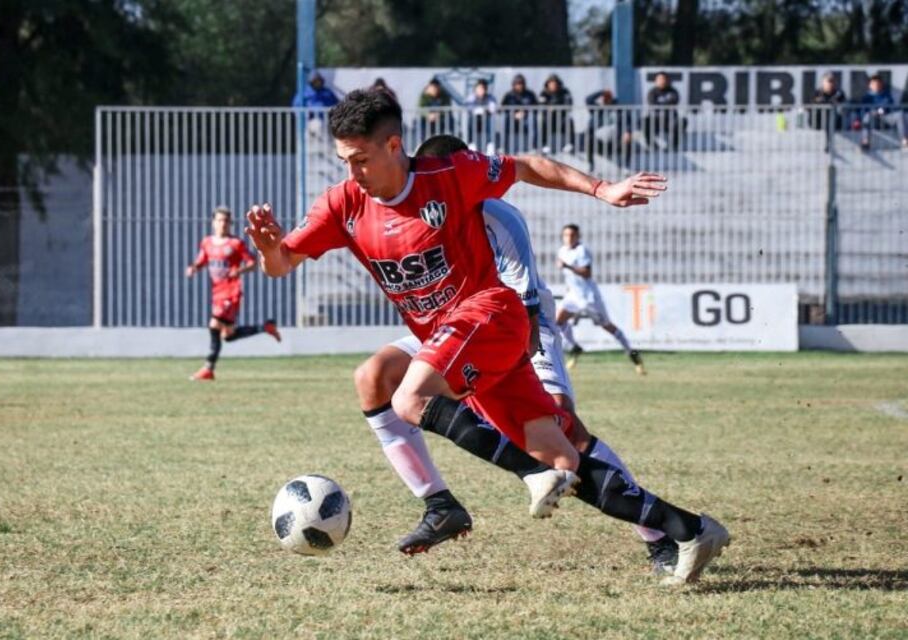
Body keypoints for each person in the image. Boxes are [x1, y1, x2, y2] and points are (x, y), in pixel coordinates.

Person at [245, 89, 729, 585]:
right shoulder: (343, 204)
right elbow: (283, 264)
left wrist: (602, 189)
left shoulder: (450, 175)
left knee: (410, 396)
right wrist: (268, 249)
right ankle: (689, 528)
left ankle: (522, 478)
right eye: (344, 161)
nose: (353, 173)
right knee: (563, 456)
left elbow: (528, 167)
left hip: (493, 315)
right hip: (453, 341)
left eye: (361, 159)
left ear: (394, 147)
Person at [354, 133, 681, 573]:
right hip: (450, 328)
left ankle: (659, 536)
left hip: (516, 324)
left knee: (565, 434)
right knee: (374, 376)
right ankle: (439, 505)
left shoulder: (495, 213)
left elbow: (521, 302)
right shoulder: (414, 212)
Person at [185, 207, 281, 381]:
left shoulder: (236, 244)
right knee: (227, 336)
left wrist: (239, 271)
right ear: (214, 223)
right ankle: (265, 327)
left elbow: (252, 263)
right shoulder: (207, 242)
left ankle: (208, 369)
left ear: (230, 224)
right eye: (220, 220)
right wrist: (193, 268)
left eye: (226, 221)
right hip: (217, 292)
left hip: (231, 293)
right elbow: (202, 260)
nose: (223, 224)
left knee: (214, 325)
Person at [556, 224, 645, 375]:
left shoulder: (581, 250)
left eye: (572, 235)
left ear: (578, 236)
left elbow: (587, 273)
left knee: (607, 326)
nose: (569, 238)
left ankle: (633, 354)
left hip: (589, 298)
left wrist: (568, 266)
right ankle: (575, 347)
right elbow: (569, 277)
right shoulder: (562, 251)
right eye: (566, 235)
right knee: (557, 321)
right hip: (573, 296)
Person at [854, 74, 908, 151]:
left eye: (878, 83)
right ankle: (865, 142)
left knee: (900, 114)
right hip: (873, 119)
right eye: (874, 83)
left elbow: (889, 105)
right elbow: (863, 110)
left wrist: (882, 110)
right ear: (870, 85)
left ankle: (905, 140)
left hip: (885, 118)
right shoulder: (866, 97)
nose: (876, 85)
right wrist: (872, 112)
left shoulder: (886, 95)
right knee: (867, 116)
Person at [584, 89, 634, 170]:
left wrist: (628, 132)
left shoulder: (619, 109)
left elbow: (628, 122)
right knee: (589, 139)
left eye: (607, 98)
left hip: (615, 142)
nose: (605, 100)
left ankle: (626, 166)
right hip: (600, 144)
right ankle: (591, 164)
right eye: (604, 98)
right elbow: (588, 99)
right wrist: (602, 92)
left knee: (627, 140)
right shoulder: (596, 109)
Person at [644, 72, 684, 150]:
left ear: (668, 80)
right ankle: (651, 144)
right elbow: (652, 104)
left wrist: (660, 105)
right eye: (660, 79)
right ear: (656, 81)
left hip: (670, 120)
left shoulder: (673, 91)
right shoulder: (652, 92)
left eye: (664, 79)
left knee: (681, 121)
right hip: (655, 120)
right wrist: (665, 105)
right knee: (644, 121)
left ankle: (673, 145)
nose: (662, 81)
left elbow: (674, 102)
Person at [501, 74, 539, 153]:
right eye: (517, 83)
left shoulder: (530, 94)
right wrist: (513, 115)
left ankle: (533, 147)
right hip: (512, 119)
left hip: (526, 119)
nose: (519, 85)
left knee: (532, 118)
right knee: (504, 118)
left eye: (521, 83)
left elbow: (536, 107)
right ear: (514, 84)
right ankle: (503, 147)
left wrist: (525, 113)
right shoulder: (508, 95)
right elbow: (502, 108)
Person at [539, 73, 575, 154]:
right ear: (547, 84)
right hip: (549, 119)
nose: (553, 85)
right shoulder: (544, 93)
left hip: (561, 118)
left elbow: (569, 104)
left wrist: (556, 107)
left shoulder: (565, 92)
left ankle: (569, 144)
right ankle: (544, 145)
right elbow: (542, 105)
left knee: (569, 120)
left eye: (555, 83)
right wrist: (548, 108)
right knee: (543, 121)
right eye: (551, 83)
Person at [811, 73, 846, 153]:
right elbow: (812, 104)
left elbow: (844, 105)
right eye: (829, 81)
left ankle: (828, 144)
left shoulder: (839, 93)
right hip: (818, 121)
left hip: (834, 121)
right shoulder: (817, 93)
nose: (831, 84)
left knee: (830, 119)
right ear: (823, 82)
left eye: (832, 81)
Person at [465, 79, 498, 154]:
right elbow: (468, 107)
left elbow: (493, 108)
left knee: (491, 121)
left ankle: (490, 145)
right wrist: (479, 110)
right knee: (470, 120)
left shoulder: (490, 97)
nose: (481, 90)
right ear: (476, 89)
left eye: (483, 88)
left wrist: (485, 111)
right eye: (479, 88)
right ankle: (471, 143)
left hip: (486, 121)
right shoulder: (471, 97)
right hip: (475, 121)